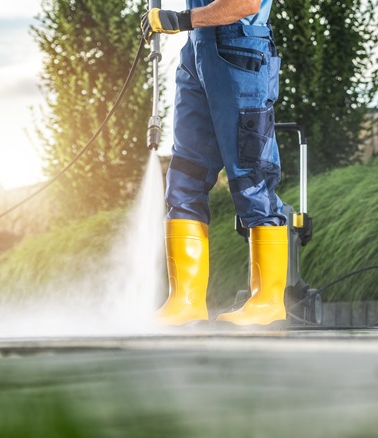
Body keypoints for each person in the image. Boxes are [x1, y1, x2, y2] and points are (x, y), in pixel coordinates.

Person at [140, 0, 287, 327]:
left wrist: (180, 19)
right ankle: (185, 302)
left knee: (252, 176)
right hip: (197, 51)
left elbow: (244, 3)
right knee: (185, 179)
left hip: (241, 48)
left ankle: (268, 300)